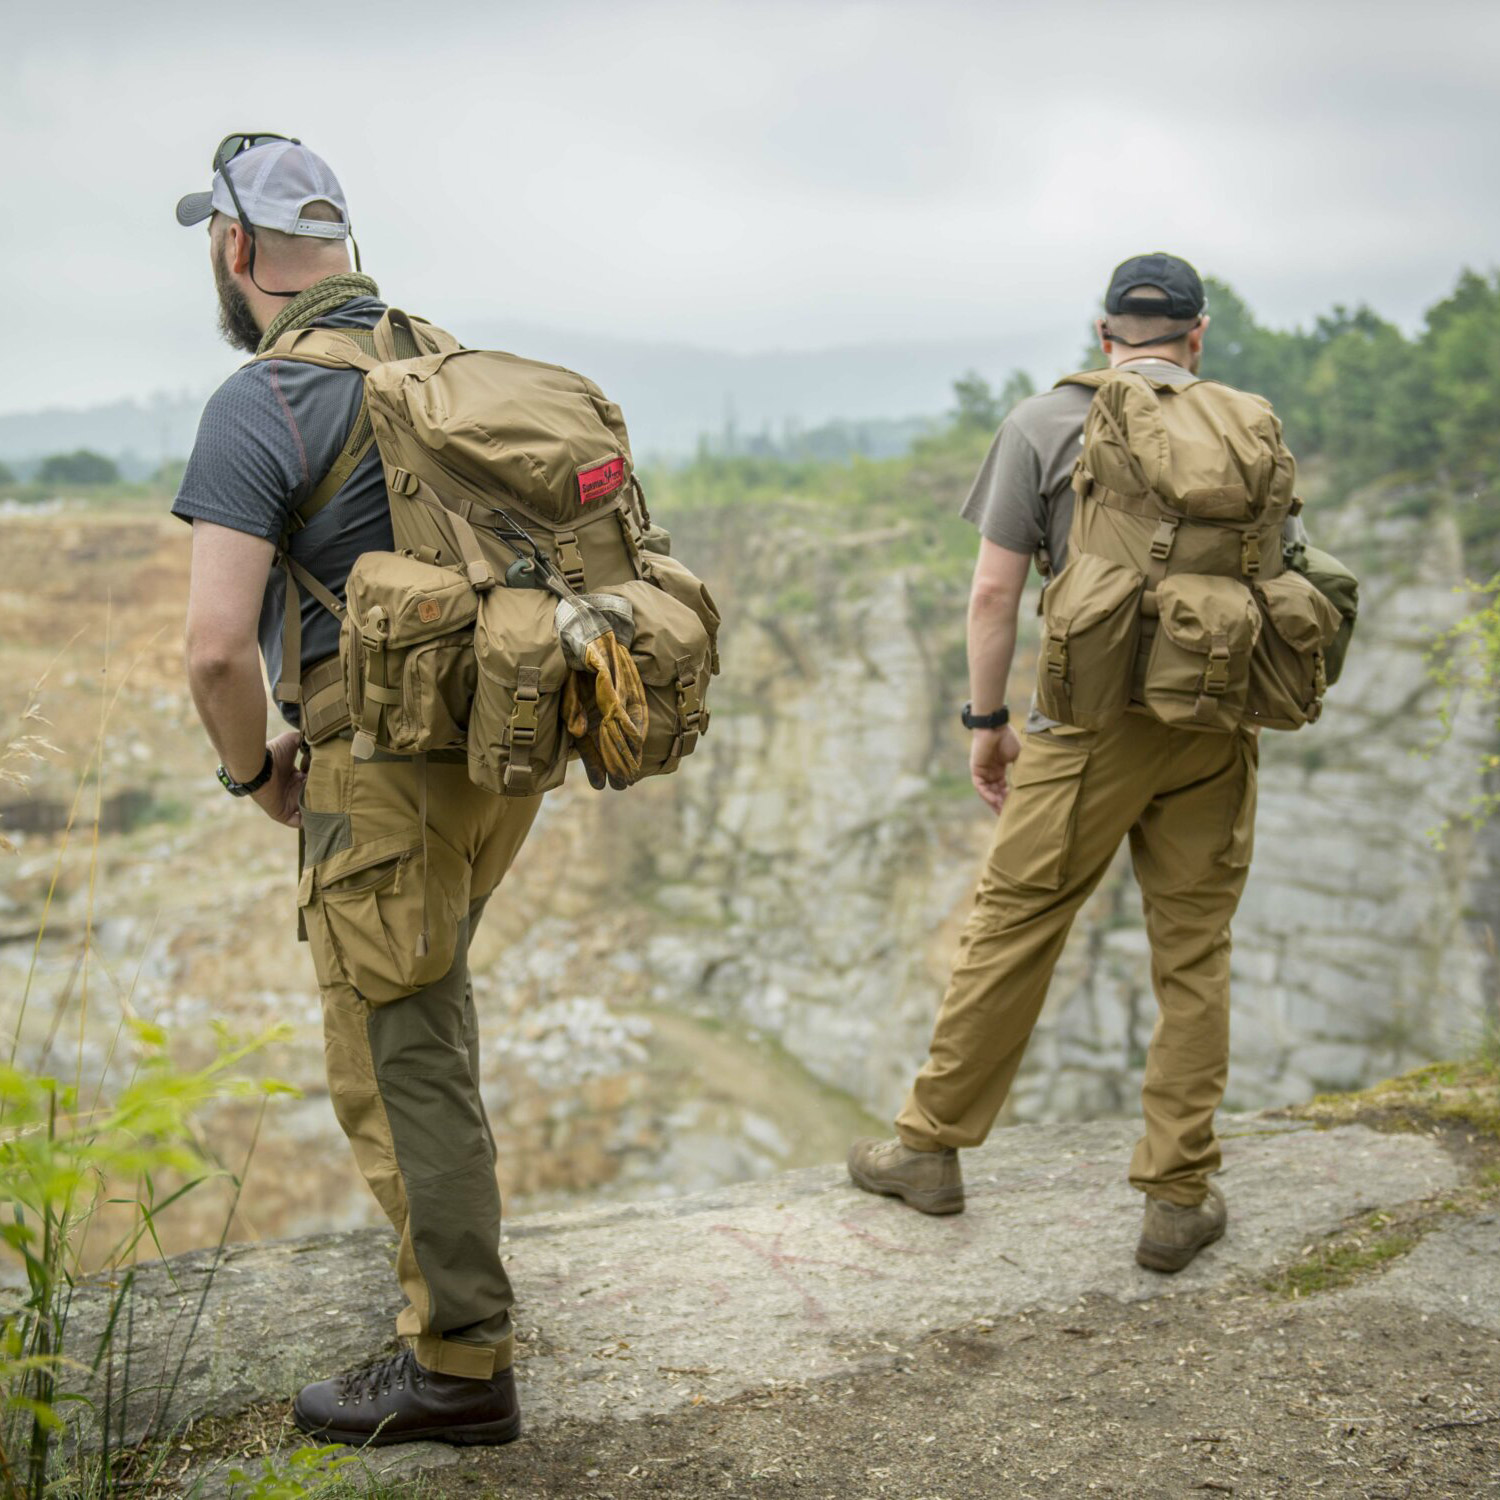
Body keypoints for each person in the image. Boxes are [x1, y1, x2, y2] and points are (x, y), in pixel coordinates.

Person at [174, 134, 533, 1446]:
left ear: (236, 248)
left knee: (397, 1056)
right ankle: (466, 1297)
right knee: (431, 1018)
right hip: (495, 750)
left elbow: (216, 648)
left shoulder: (262, 401)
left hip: (375, 772)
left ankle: (458, 1367)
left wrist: (250, 769)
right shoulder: (437, 361)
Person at [849, 253, 1296, 1273]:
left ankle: (930, 1152)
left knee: (1014, 929)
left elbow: (993, 597)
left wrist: (985, 720)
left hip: (1085, 728)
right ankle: (1178, 1195)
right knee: (1194, 952)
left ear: (1104, 335)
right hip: (1213, 725)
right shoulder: (1249, 422)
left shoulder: (1046, 422)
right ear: (1198, 332)